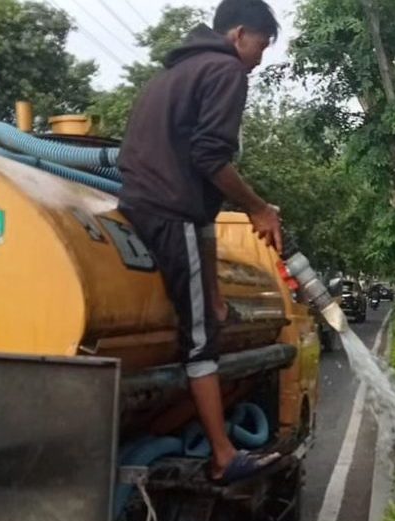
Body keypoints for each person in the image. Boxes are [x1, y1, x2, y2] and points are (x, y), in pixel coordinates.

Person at [117, 0, 283, 483]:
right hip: (171, 213)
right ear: (238, 35)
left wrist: (214, 294)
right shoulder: (226, 71)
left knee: (203, 319)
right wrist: (258, 207)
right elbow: (210, 158)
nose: (259, 57)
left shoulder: (170, 75)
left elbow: (204, 203)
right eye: (261, 45)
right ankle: (223, 455)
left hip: (148, 206)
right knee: (200, 341)